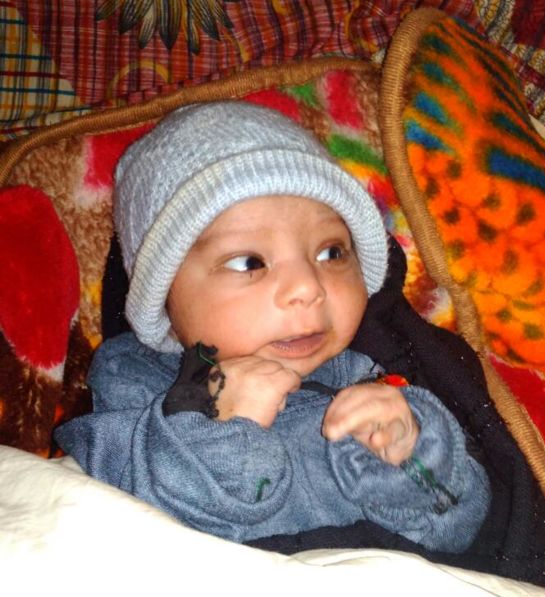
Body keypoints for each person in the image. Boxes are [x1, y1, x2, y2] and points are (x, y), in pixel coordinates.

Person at [56, 101, 490, 552]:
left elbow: (463, 533)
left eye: (331, 253)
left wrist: (412, 453)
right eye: (249, 262)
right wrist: (223, 432)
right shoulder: (135, 379)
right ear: (164, 297)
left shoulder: (368, 375)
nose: (307, 287)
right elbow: (118, 528)